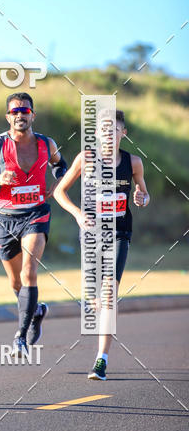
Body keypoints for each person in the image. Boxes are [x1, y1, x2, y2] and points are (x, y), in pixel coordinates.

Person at [0, 93, 67, 355]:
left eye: (25, 110)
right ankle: (36, 312)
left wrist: (60, 181)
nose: (20, 115)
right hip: (5, 220)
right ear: (8, 116)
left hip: (36, 215)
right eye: (15, 111)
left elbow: (60, 165)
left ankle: (20, 336)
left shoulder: (47, 143)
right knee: (15, 283)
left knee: (29, 271)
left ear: (33, 114)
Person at [53, 109, 149, 380]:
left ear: (123, 133)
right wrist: (78, 214)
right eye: (104, 128)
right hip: (92, 235)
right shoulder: (86, 159)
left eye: (114, 128)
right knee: (97, 301)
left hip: (120, 233)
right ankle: (92, 301)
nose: (109, 132)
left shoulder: (133, 163)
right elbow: (59, 191)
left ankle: (101, 360)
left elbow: (143, 192)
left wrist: (143, 197)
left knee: (108, 295)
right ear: (96, 133)